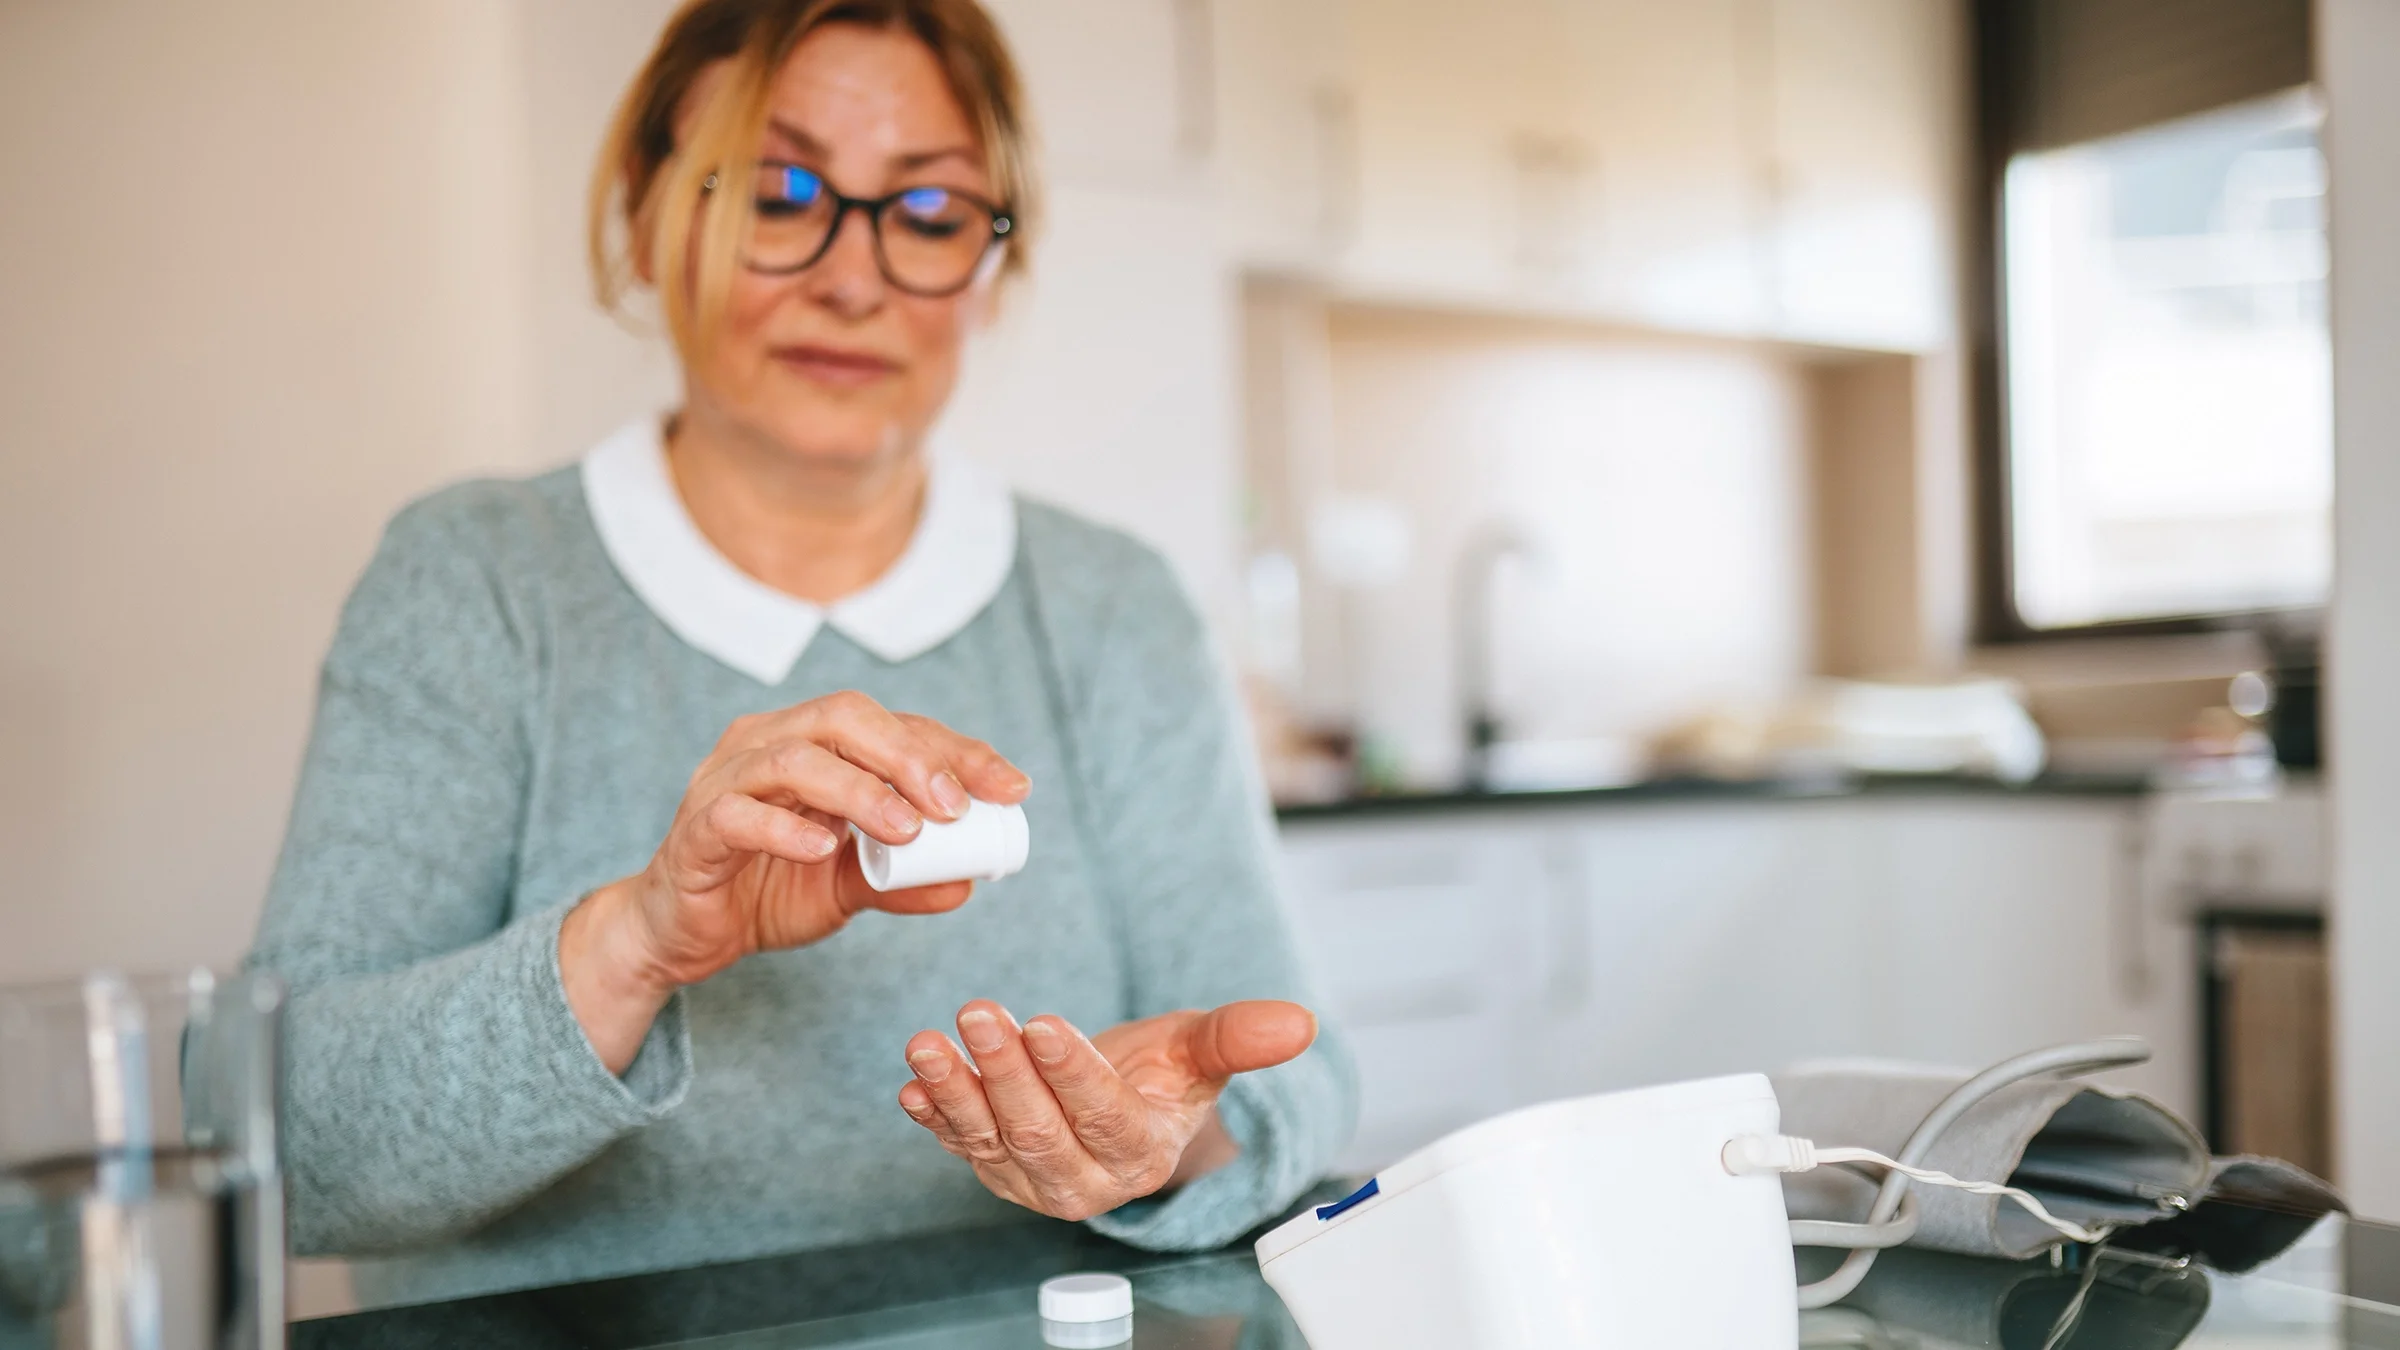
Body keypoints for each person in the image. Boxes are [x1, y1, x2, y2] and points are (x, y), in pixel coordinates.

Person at [246, 0, 1355, 1304]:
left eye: (931, 214)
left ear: (995, 267)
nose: (853, 275)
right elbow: (286, 1151)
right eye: (779, 191)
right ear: (644, 216)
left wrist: (1171, 1139)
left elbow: (1291, 1089)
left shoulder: (1113, 606)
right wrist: (639, 936)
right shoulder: (473, 581)